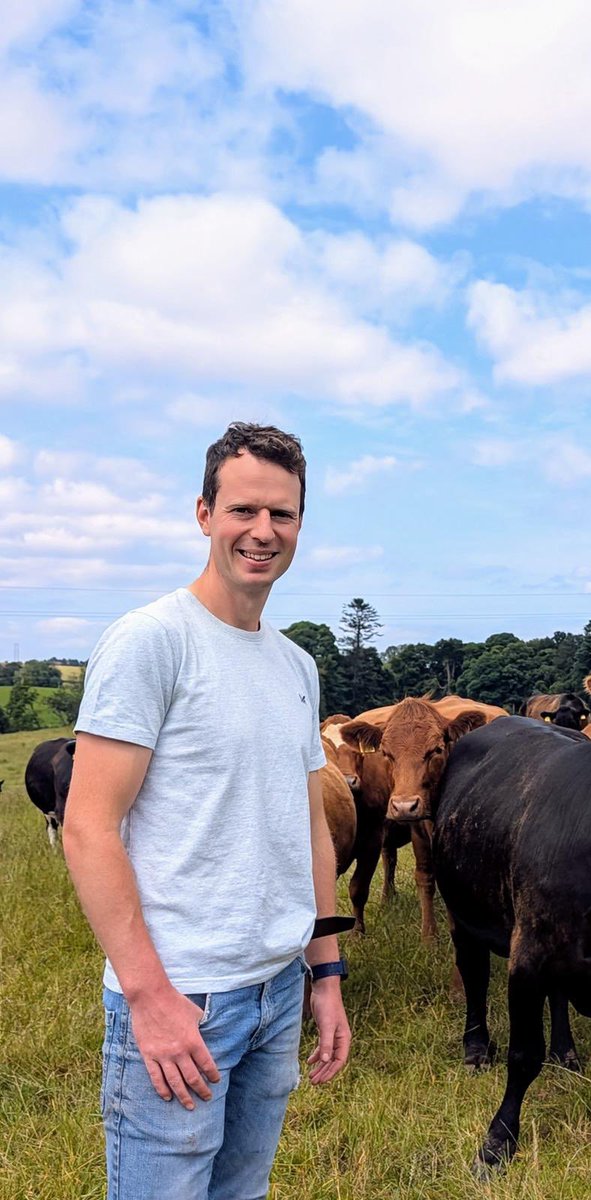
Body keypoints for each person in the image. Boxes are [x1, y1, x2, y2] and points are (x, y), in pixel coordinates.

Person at [64, 422, 351, 1199]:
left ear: (299, 524)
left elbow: (310, 828)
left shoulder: (296, 665)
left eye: (282, 515)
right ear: (204, 513)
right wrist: (151, 998)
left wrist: (325, 974)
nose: (263, 533)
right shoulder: (152, 642)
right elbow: (89, 828)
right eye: (244, 510)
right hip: (183, 998)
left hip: (276, 990)